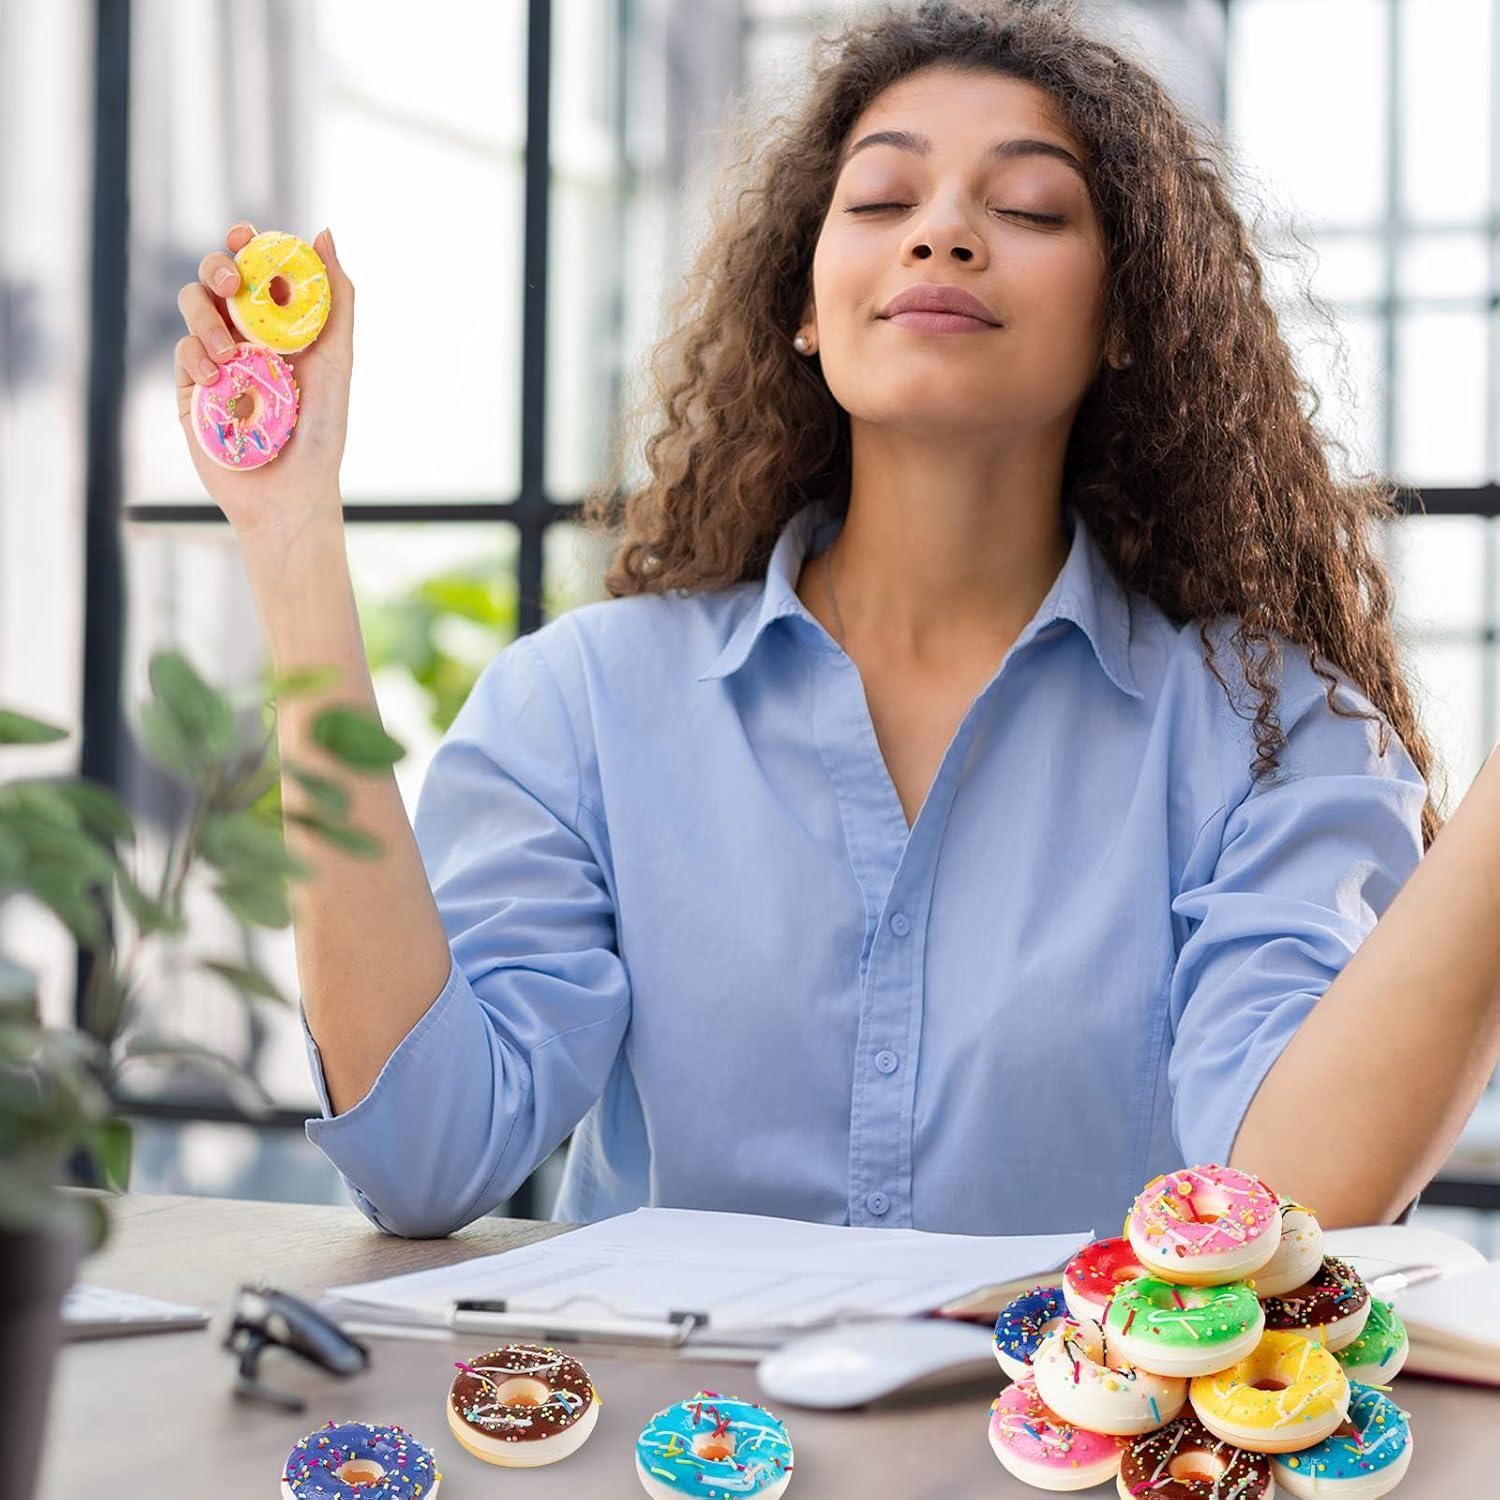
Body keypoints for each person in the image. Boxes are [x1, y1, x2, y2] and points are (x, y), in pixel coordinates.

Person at [173, 0, 1500, 1241]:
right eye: (880, 199)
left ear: (1125, 321)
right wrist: (290, 536)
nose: (944, 232)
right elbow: (423, 1154)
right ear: (807, 307)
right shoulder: (588, 701)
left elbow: (1289, 1206)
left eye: (1030, 208)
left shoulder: (1274, 735)